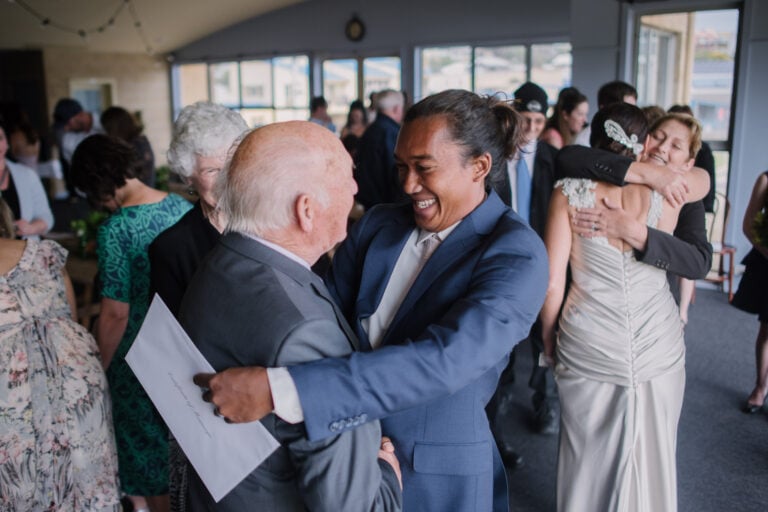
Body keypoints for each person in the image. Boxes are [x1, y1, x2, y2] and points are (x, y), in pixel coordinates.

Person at [193, 89, 549, 511]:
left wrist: (279, 391)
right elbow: (320, 311)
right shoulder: (382, 223)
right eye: (402, 167)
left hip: (433, 474)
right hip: (345, 458)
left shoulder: (516, 253)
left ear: (479, 166)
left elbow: (446, 361)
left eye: (424, 168)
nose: (408, 184)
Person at [179, 121, 402, 511]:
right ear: (307, 211)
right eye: (346, 177)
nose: (355, 189)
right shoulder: (305, 330)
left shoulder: (223, 260)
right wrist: (388, 479)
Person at [541, 104, 708, 512]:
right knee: (654, 450)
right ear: (646, 140)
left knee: (587, 456)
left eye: (676, 145)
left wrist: (548, 338)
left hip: (591, 339)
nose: (664, 149)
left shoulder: (568, 193)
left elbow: (551, 282)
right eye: (660, 138)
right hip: (657, 341)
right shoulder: (668, 194)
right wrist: (653, 176)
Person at [71, 134, 192, 512]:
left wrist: (98, 368)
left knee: (147, 459)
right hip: (181, 340)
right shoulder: (180, 206)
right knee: (180, 448)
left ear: (96, 186)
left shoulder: (116, 229)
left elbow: (114, 312)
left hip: (135, 354)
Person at [145, 101, 247, 512]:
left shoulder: (271, 223)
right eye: (209, 170)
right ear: (189, 177)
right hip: (209, 401)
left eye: (229, 163)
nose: (222, 179)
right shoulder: (172, 248)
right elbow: (169, 344)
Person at [0, 198, 120, 511]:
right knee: (83, 485)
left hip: (13, 399)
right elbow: (69, 316)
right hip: (74, 385)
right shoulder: (45, 255)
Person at [487, 81, 558, 471]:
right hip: (504, 271)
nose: (530, 128)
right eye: (525, 119)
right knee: (504, 359)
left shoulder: (553, 159)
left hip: (546, 268)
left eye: (537, 120)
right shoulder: (495, 158)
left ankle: (545, 406)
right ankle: (497, 438)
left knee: (545, 346)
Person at [731, 170, 768, 413]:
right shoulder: (766, 179)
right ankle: (760, 387)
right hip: (767, 258)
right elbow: (748, 224)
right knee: (767, 329)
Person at [0, 119, 54, 239]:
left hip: (26, 252)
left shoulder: (27, 175)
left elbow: (47, 217)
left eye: (0, 138)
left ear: (7, 143)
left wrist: (31, 228)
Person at [353, 89, 406, 209]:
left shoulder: (369, 131)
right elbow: (395, 172)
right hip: (388, 206)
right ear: (397, 108)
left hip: (368, 203)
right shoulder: (393, 133)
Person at [52, 98, 103, 197]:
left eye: (68, 123)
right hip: (86, 196)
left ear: (80, 115)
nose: (66, 128)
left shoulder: (105, 124)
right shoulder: (68, 139)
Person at [101, 106, 156, 187]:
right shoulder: (140, 142)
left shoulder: (136, 146)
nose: (105, 133)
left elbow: (122, 177)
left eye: (107, 129)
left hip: (140, 197)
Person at [574, 80, 638, 147]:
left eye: (634, 110)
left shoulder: (632, 139)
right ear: (604, 108)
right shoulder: (583, 142)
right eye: (626, 111)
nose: (632, 116)